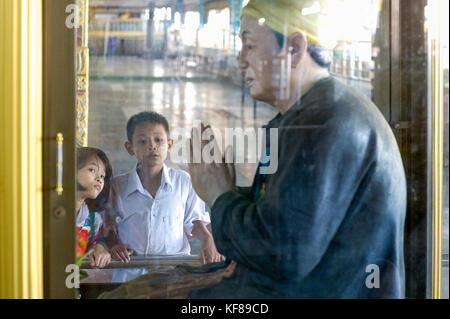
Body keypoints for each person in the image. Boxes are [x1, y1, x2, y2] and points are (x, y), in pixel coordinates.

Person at [187, 0, 407, 298]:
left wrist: (219, 196)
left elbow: (284, 253)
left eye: (249, 45)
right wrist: (231, 193)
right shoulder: (306, 118)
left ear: (293, 48)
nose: (240, 61)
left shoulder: (327, 123)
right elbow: (281, 227)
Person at [105, 112, 224, 272]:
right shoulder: (118, 186)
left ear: (169, 144)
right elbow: (108, 224)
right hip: (131, 271)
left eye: (158, 140)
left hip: (173, 272)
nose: (152, 146)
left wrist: (208, 239)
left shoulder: (183, 182)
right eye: (142, 141)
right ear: (130, 147)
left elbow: (195, 220)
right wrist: (113, 245)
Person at [76, 147, 113, 269]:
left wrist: (98, 247)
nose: (99, 179)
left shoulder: (92, 220)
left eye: (102, 176)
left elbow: (96, 242)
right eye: (92, 170)